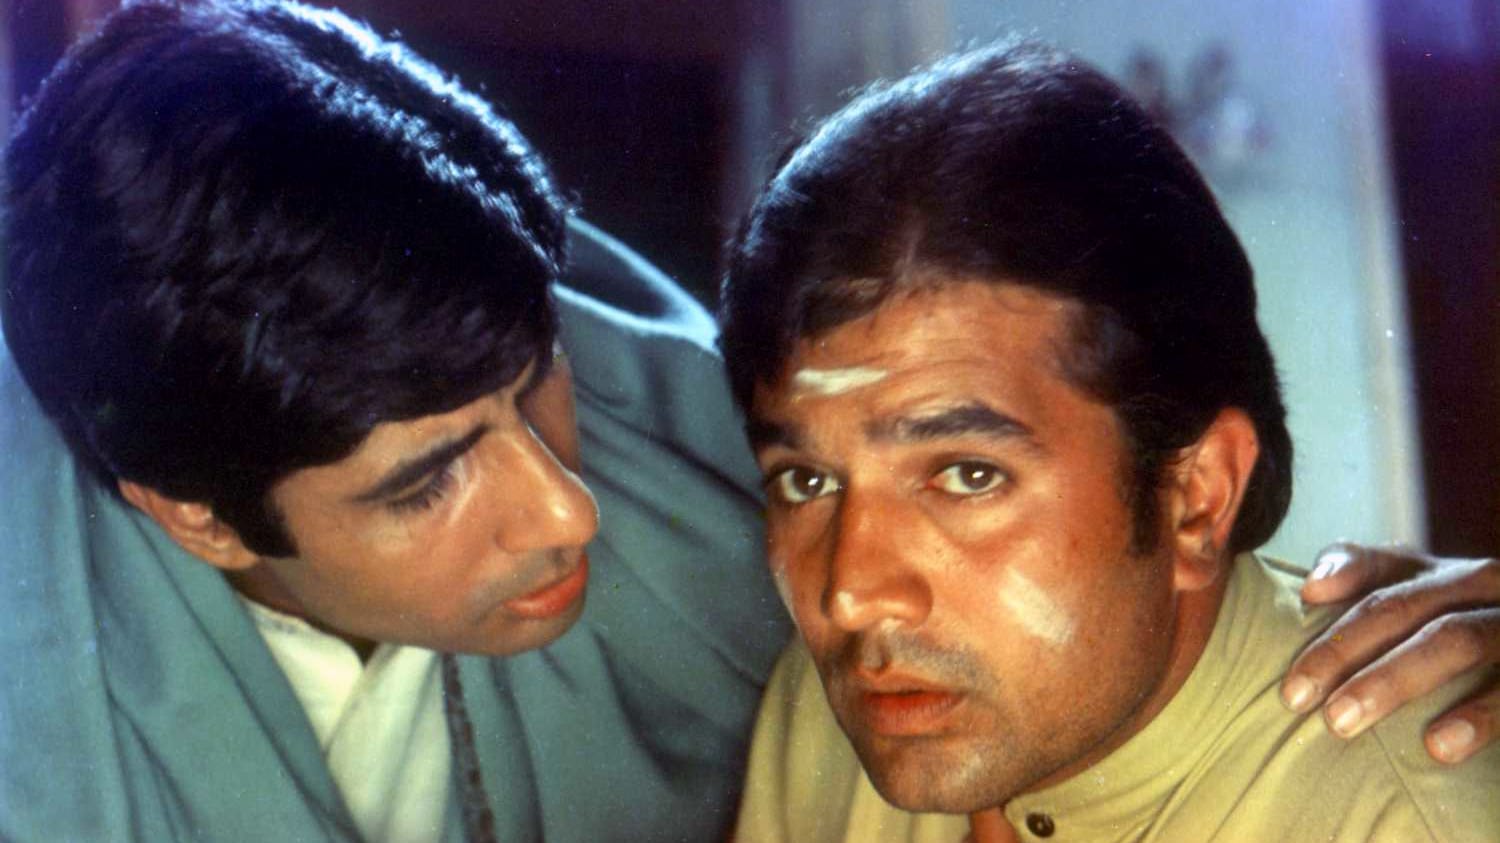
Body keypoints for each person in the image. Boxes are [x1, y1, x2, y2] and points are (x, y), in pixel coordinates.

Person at [0, 3, 1491, 840]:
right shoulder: (824, 717)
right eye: (427, 479)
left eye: (539, 372)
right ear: (194, 517)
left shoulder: (694, 483)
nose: (575, 506)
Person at [720, 41, 1500, 842]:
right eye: (806, 481)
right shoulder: (830, 716)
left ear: (1197, 498)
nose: (850, 594)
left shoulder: (1408, 820)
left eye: (967, 474)